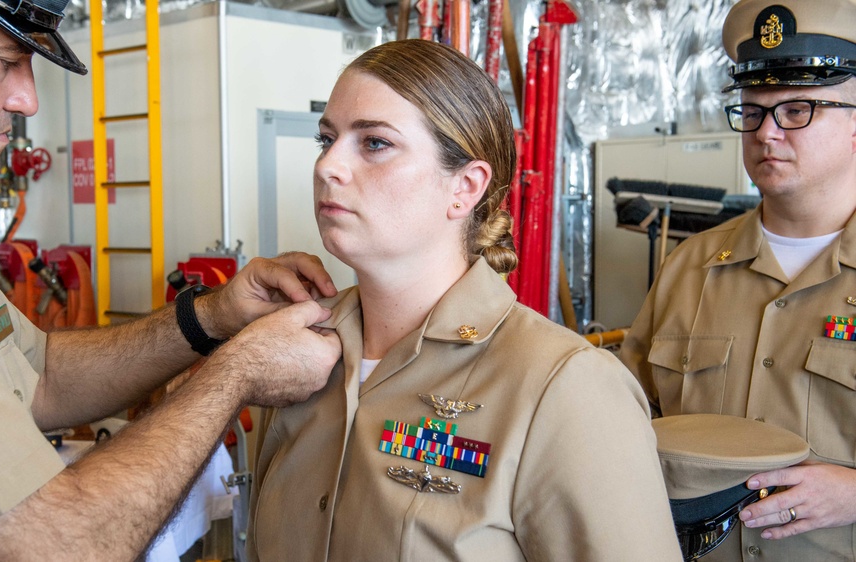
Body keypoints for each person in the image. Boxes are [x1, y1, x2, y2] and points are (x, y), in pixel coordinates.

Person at [0, 1, 342, 560]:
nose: (27, 100)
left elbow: (39, 374)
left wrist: (212, 317)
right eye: (4, 61)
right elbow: (50, 549)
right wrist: (238, 373)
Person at [246, 39, 682, 561]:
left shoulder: (562, 386)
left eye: (375, 143)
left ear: (465, 186)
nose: (328, 167)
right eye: (327, 140)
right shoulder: (295, 349)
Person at [619, 0, 856, 559]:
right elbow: (627, 412)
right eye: (752, 110)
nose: (767, 133)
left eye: (798, 109)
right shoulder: (689, 266)